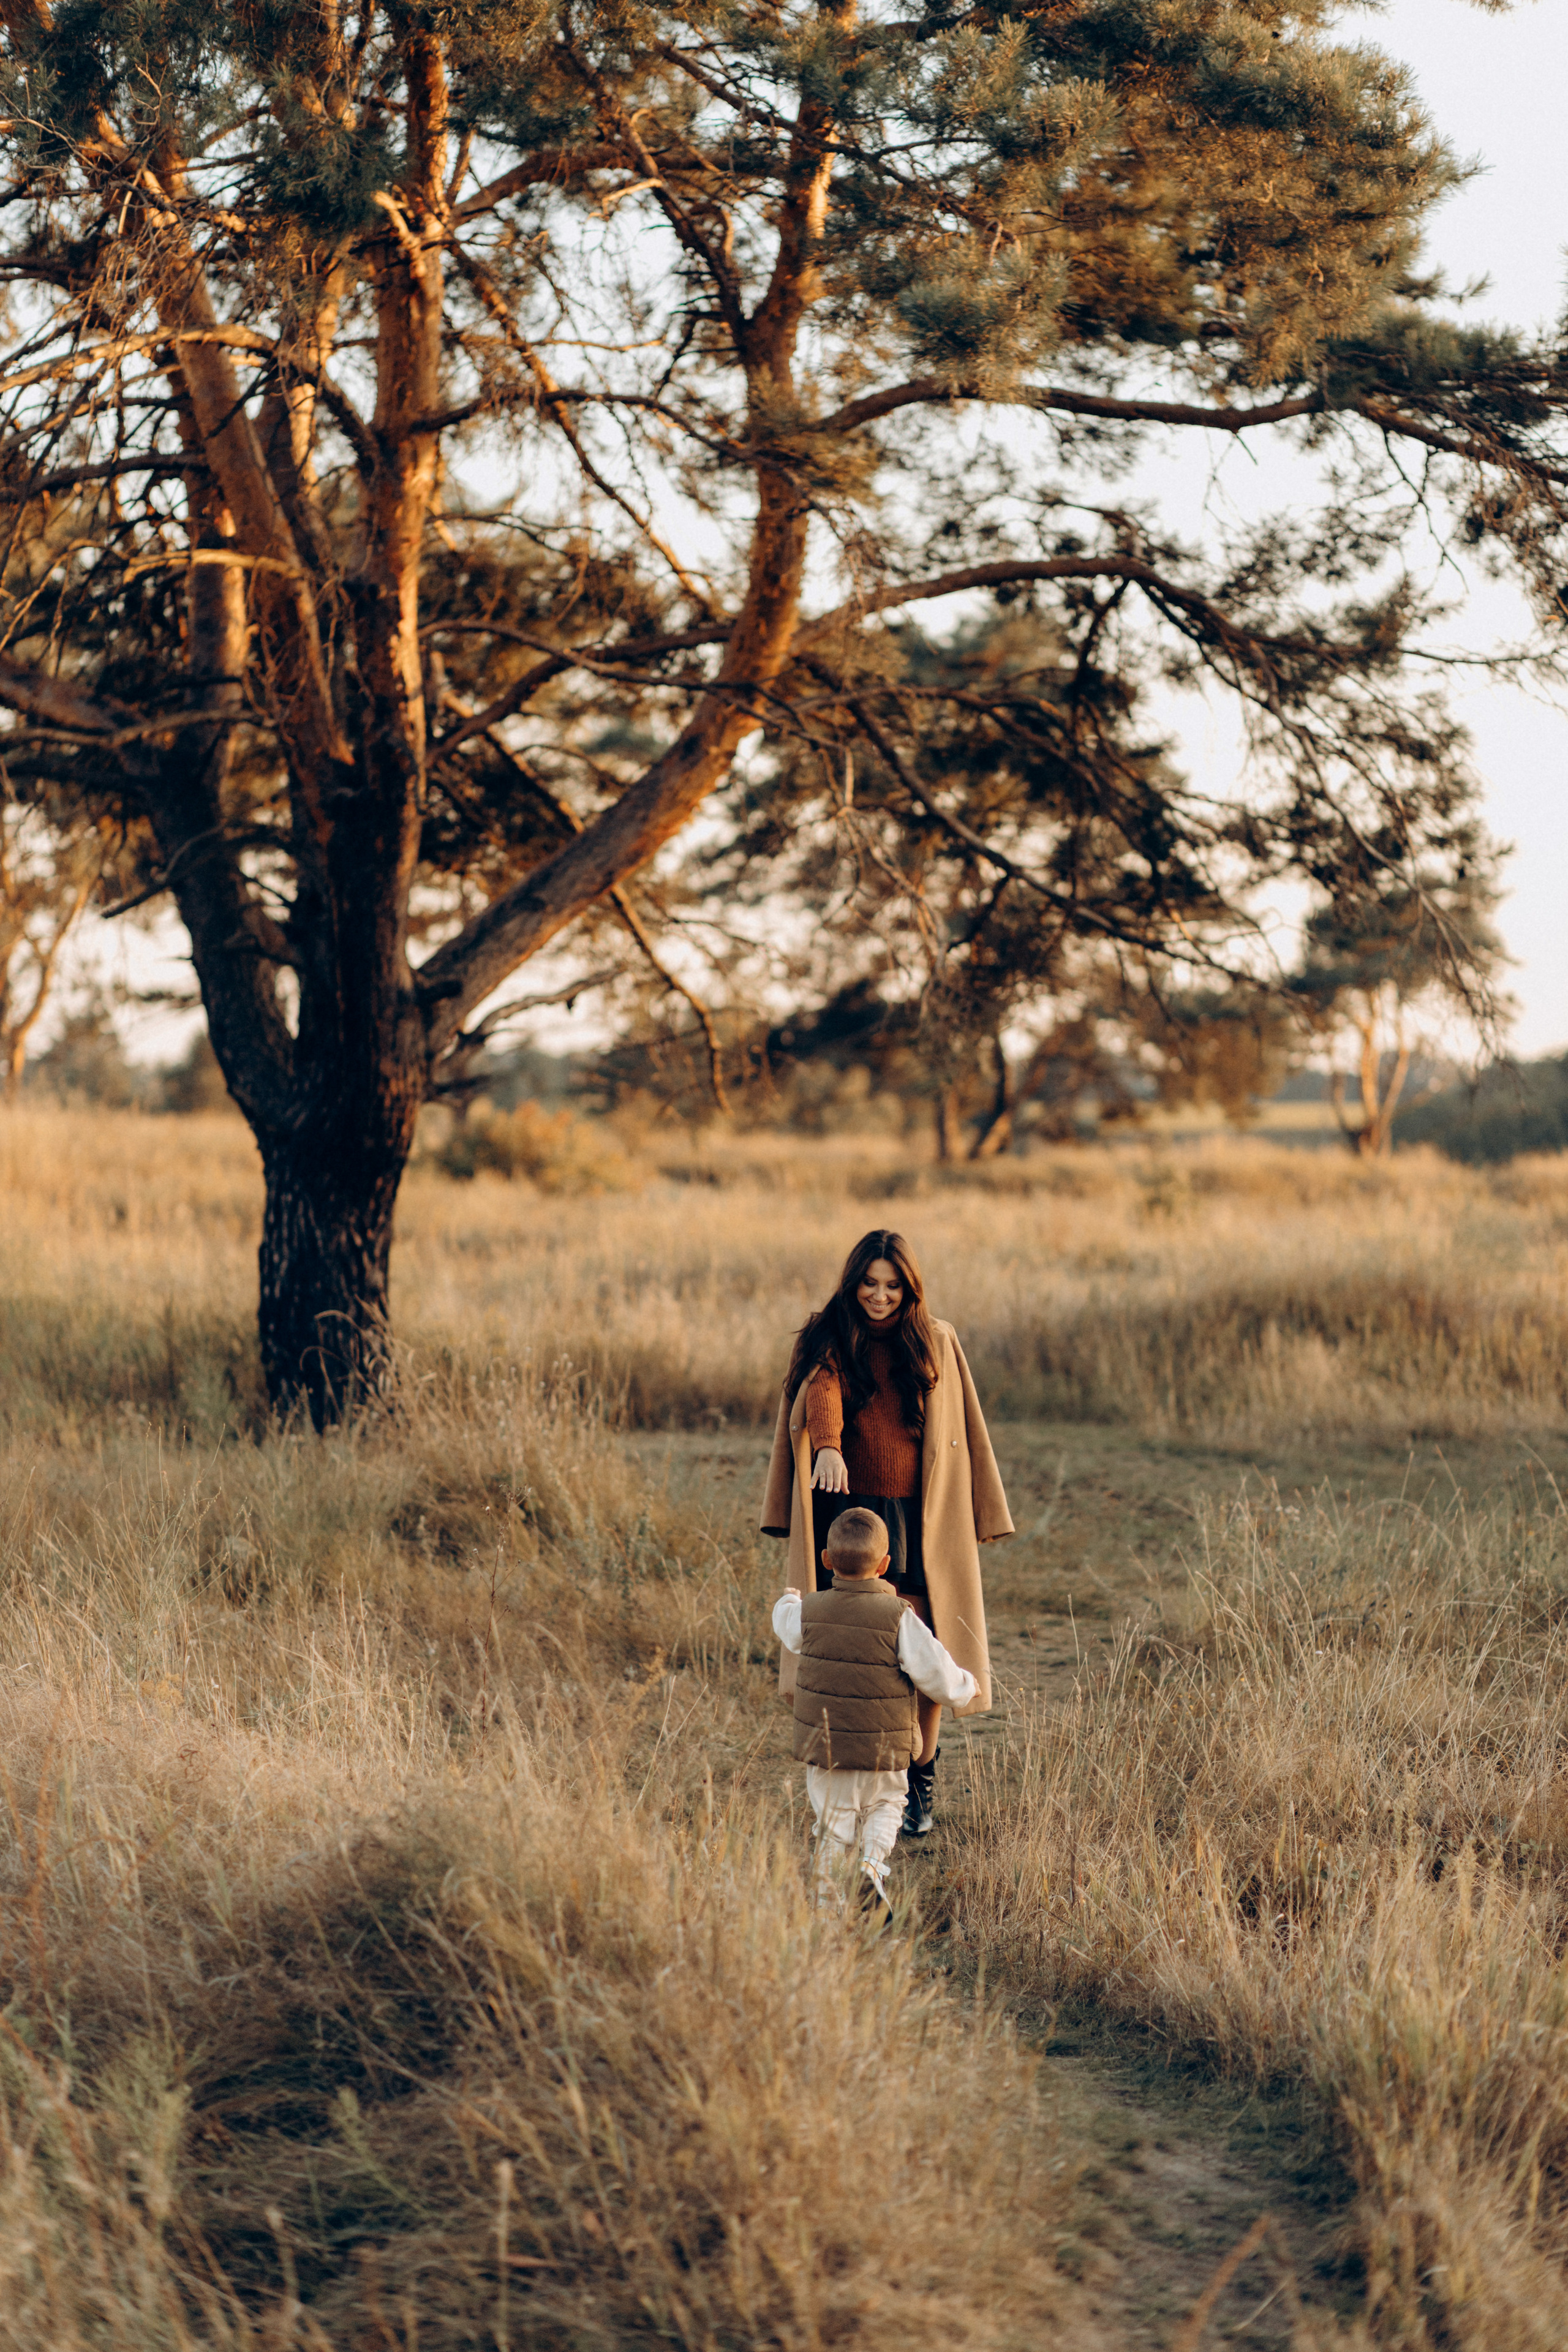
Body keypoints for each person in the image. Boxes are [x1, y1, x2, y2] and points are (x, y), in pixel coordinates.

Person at [760, 1229, 1013, 1836]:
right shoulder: (829, 1332)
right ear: (853, 1283)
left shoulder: (935, 1338)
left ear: (909, 1287)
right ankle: (853, 1780)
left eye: (892, 1285)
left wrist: (980, 1510)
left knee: (921, 1645)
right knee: (851, 1648)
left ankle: (919, 1779)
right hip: (845, 1511)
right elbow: (822, 1390)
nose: (879, 1296)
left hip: (914, 1516)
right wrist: (827, 1446)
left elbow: (963, 1429)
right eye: (869, 1284)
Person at [773, 1506, 978, 1913]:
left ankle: (827, 1908)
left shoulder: (810, 1610)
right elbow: (934, 1670)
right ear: (885, 1565)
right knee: (887, 1807)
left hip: (826, 1748)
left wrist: (789, 1599)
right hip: (884, 1749)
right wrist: (966, 1688)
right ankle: (871, 1864)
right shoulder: (899, 1617)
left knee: (832, 1826)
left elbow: (787, 1627)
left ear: (826, 1560)